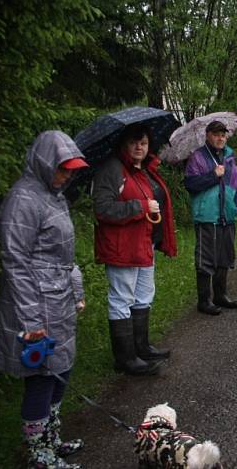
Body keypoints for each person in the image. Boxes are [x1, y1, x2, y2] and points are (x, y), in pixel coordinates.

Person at [0, 130, 89, 469]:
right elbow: (16, 263)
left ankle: (52, 440)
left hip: (59, 299)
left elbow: (62, 254)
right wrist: (31, 323)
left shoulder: (55, 196)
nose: (67, 175)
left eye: (72, 170)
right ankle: (38, 454)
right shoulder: (23, 199)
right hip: (34, 304)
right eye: (62, 168)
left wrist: (75, 291)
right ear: (44, 162)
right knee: (42, 376)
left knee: (61, 370)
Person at [92, 124, 177, 376]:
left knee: (143, 296)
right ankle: (126, 358)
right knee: (122, 299)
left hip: (144, 243)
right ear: (124, 144)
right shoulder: (112, 170)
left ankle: (141, 347)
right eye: (134, 142)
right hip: (122, 246)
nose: (140, 147)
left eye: (144, 143)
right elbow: (103, 209)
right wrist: (140, 207)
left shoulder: (144, 171)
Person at [184, 120, 237, 315]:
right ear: (207, 135)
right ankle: (204, 301)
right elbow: (191, 184)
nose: (220, 138)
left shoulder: (229, 157)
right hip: (207, 215)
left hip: (227, 215)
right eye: (216, 134)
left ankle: (221, 295)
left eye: (223, 134)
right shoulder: (198, 157)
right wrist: (213, 175)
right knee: (206, 258)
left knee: (224, 257)